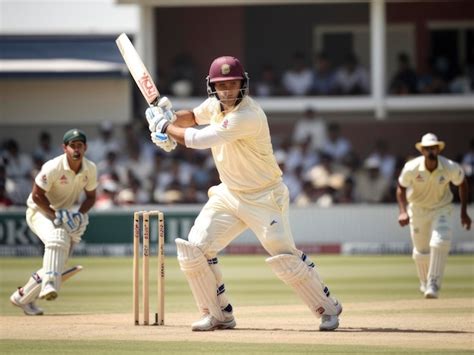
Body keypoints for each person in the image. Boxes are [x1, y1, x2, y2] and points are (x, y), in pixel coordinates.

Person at [145, 56, 342, 331]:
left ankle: (328, 308)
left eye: (233, 83)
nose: (227, 90)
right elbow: (191, 117)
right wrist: (169, 117)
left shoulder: (247, 116)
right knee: (195, 247)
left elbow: (199, 139)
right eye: (221, 84)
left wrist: (165, 127)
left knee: (283, 255)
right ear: (212, 86)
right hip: (229, 194)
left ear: (243, 84)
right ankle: (218, 314)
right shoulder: (214, 105)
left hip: (264, 196)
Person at [10, 129, 97, 315]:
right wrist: (56, 214)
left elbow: (90, 197)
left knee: (58, 261)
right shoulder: (53, 167)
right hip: (39, 211)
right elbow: (36, 195)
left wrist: (79, 214)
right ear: (64, 148)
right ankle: (48, 285)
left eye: (79, 145)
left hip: (63, 214)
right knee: (56, 239)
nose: (76, 149)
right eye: (72, 145)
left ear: (85, 148)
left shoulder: (90, 169)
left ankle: (23, 297)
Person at [396, 133, 471, 299]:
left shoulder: (450, 166)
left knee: (441, 240)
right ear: (422, 150)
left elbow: (462, 183)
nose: (431, 151)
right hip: (417, 209)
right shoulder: (412, 167)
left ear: (438, 149)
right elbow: (401, 187)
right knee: (421, 251)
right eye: (427, 148)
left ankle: (433, 282)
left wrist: (464, 211)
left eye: (433, 148)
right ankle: (424, 282)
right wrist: (402, 211)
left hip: (441, 208)